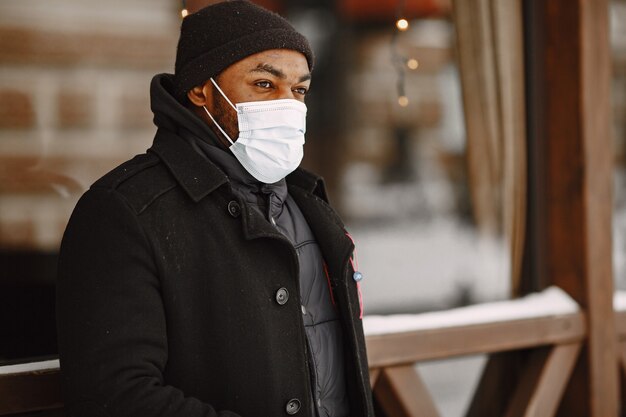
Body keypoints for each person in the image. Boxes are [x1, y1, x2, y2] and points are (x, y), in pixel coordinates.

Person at [56, 1, 374, 416]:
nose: (288, 104)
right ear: (201, 89)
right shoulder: (126, 212)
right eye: (264, 84)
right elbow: (115, 395)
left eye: (299, 90)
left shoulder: (308, 204)